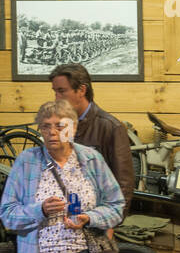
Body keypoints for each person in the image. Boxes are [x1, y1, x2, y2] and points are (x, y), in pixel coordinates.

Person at [0, 98, 124, 253]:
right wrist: (40, 209)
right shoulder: (27, 161)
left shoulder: (91, 159)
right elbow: (7, 215)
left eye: (59, 126)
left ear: (73, 129)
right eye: (46, 127)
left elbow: (116, 206)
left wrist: (89, 218)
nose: (52, 132)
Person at [49, 62, 135, 210]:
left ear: (82, 90)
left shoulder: (110, 127)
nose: (57, 98)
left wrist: (110, 225)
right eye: (55, 91)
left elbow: (124, 185)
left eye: (62, 91)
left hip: (96, 219)